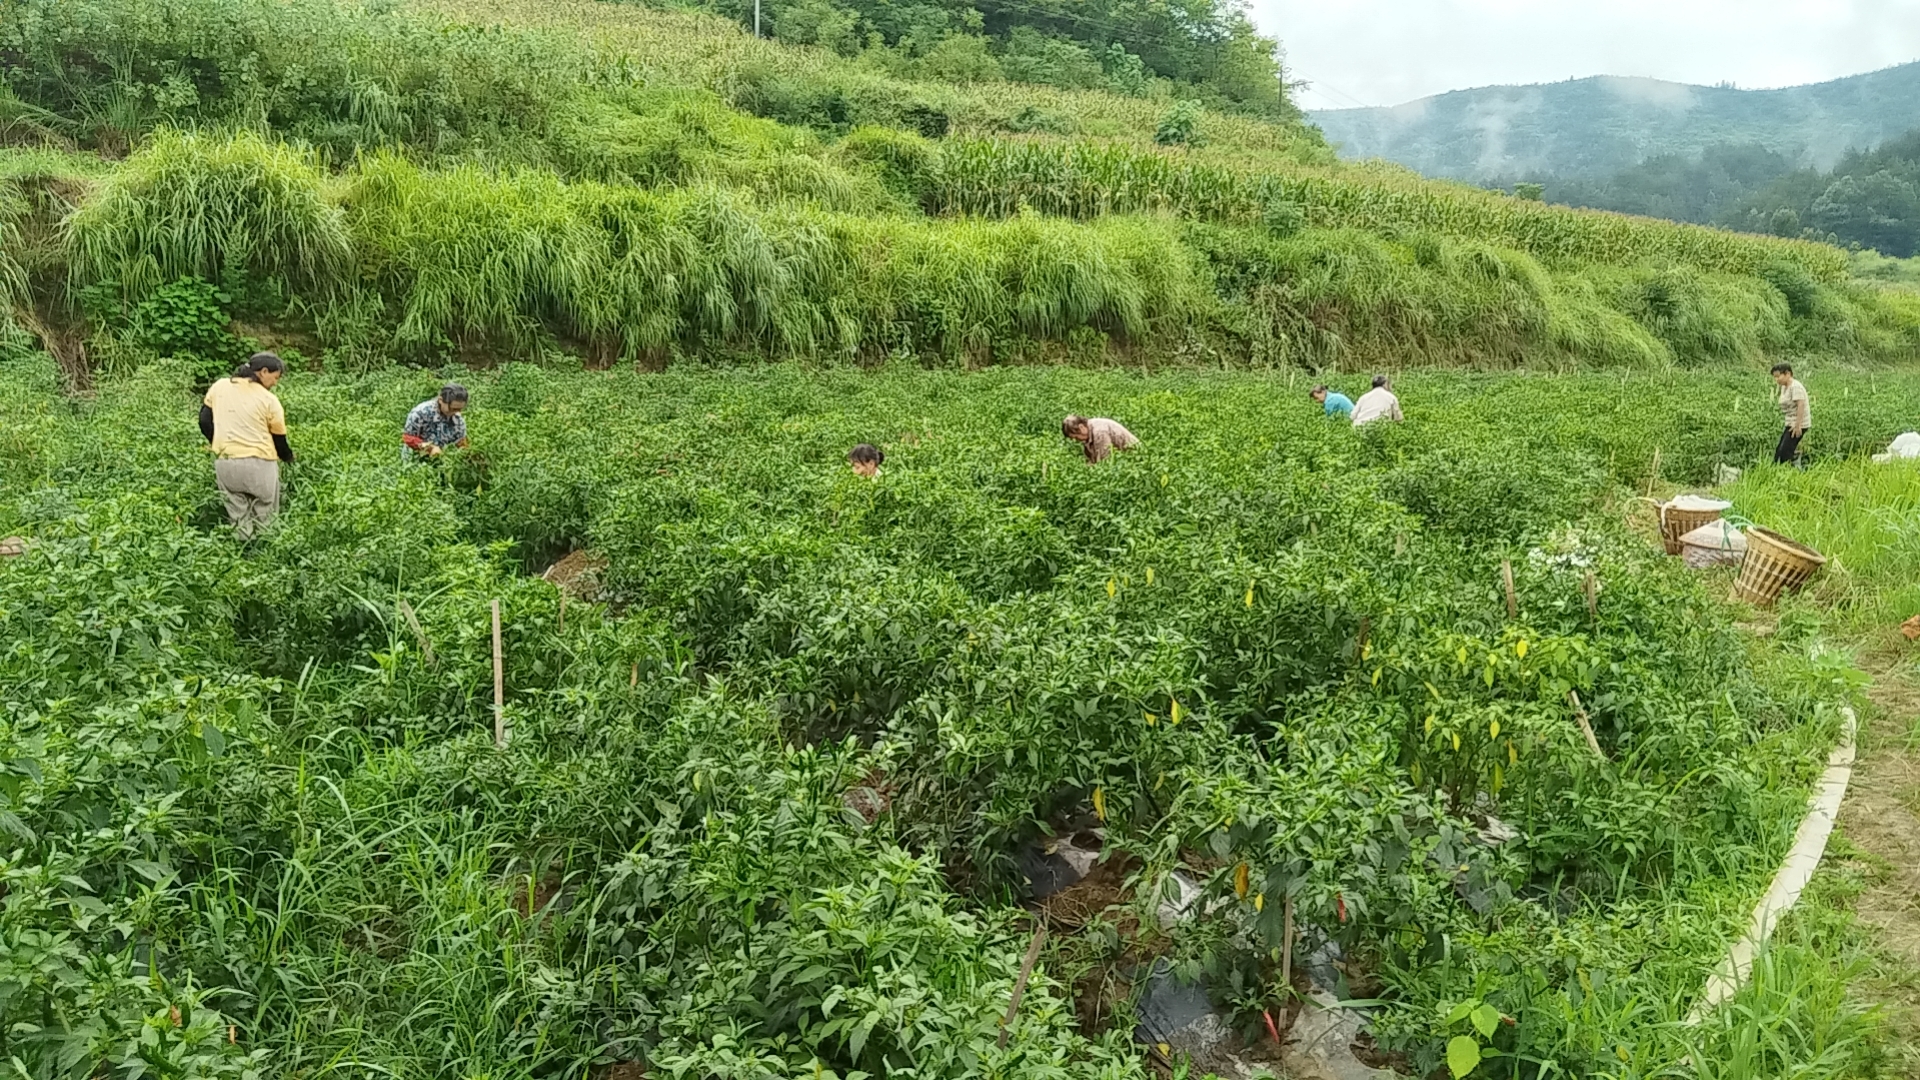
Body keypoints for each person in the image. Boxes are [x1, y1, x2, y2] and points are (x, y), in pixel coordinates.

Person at [200, 352, 293, 540]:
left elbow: (204, 420)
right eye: (275, 378)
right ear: (264, 372)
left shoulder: (220, 386)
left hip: (226, 464)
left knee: (237, 515)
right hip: (261, 465)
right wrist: (289, 458)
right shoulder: (268, 400)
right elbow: (279, 439)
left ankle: (243, 554)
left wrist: (219, 445)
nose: (275, 383)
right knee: (266, 515)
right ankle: (266, 556)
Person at [403, 383, 470, 459]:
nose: (457, 412)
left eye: (460, 409)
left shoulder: (458, 419)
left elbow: (461, 443)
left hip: (441, 462)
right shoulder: (421, 412)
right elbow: (407, 437)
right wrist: (430, 448)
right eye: (453, 409)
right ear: (441, 400)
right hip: (414, 461)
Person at [1771, 363, 1809, 466]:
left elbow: (1801, 405)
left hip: (1798, 424)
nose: (1776, 380)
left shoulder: (1795, 387)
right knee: (1780, 450)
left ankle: (1790, 471)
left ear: (1787, 374)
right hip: (1790, 423)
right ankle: (1790, 465)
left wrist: (1798, 426)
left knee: (1785, 452)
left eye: (1778, 376)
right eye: (1775, 377)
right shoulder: (1784, 387)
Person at [1062, 414, 1139, 464]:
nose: (1076, 440)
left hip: (1135, 457)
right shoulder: (1089, 431)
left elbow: (1104, 460)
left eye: (1076, 436)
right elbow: (1091, 458)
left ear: (1081, 427)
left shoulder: (1100, 432)